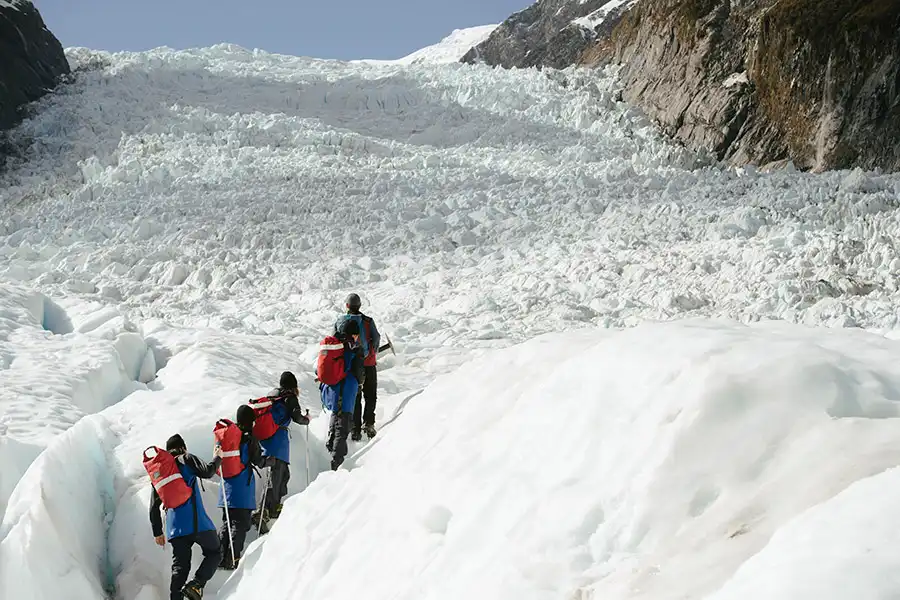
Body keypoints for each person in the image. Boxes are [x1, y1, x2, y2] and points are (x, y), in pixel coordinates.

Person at [149, 434, 222, 600]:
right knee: (215, 552)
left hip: (175, 529)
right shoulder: (186, 459)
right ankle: (196, 584)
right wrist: (218, 457)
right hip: (197, 523)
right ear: (183, 447)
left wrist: (157, 532)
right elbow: (209, 471)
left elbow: (154, 505)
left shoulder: (162, 472)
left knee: (180, 568)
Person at [251, 371, 310, 532]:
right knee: (276, 476)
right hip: (278, 441)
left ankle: (273, 507)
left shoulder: (272, 396)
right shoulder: (289, 398)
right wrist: (307, 419)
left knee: (283, 474)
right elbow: (297, 418)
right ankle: (262, 511)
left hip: (268, 439)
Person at [217, 405, 271, 570]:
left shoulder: (229, 436)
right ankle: (233, 559)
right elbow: (258, 461)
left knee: (227, 522)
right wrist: (269, 461)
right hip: (242, 488)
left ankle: (220, 558)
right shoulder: (248, 438)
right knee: (239, 524)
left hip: (226, 487)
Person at [334, 293, 381, 441]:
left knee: (355, 396)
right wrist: (373, 353)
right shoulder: (367, 321)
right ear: (360, 305)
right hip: (368, 363)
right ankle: (369, 424)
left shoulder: (339, 321)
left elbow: (333, 340)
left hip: (350, 365)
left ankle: (355, 429)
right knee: (370, 394)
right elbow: (377, 338)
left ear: (347, 305)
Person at [321, 318, 365, 470]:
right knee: (343, 425)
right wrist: (360, 381)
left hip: (333, 388)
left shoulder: (334, 344)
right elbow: (359, 372)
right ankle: (337, 462)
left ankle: (330, 445)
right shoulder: (353, 347)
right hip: (346, 388)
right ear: (353, 334)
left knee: (336, 416)